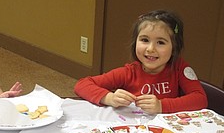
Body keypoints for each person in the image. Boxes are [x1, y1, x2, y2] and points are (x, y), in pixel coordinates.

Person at [74, 10, 207, 114]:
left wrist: (161, 105)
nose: (150, 49)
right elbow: (82, 85)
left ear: (174, 48)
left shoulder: (179, 67)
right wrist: (109, 98)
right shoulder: (129, 72)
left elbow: (200, 99)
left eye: (160, 42)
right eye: (144, 40)